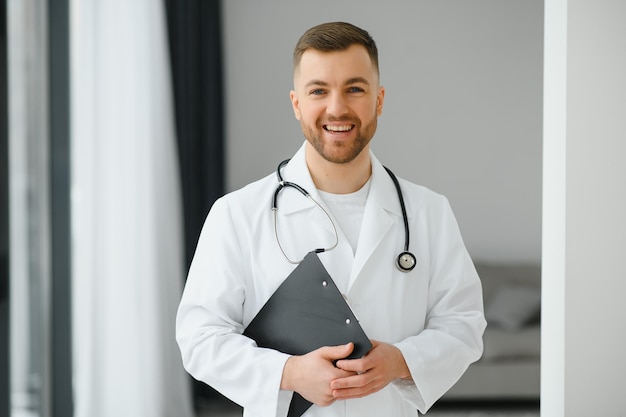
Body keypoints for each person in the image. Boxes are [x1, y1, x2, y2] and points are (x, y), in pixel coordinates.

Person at [176, 21, 486, 417]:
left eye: (355, 89)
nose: (337, 108)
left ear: (379, 99)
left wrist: (402, 360)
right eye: (319, 90)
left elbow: (463, 324)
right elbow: (199, 338)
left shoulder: (429, 212)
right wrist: (288, 371)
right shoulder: (237, 214)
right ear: (296, 103)